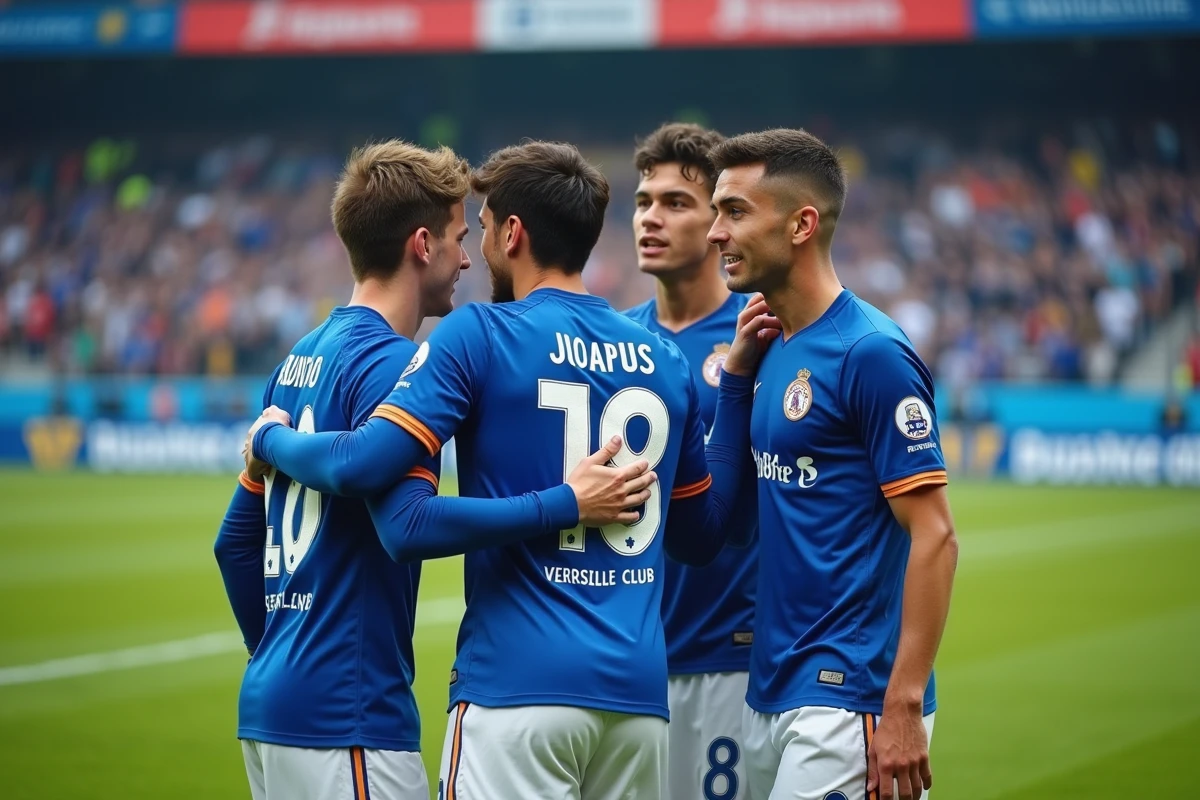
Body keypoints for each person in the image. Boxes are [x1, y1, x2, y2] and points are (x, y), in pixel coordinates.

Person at [244, 140, 775, 799]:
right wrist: (735, 386)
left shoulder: (480, 334)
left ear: (513, 234)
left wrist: (270, 439)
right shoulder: (663, 360)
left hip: (514, 690)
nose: (474, 253)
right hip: (637, 704)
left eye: (484, 228)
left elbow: (393, 505)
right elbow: (704, 536)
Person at [706, 128, 959, 800]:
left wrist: (902, 705)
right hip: (771, 690)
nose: (715, 232)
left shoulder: (870, 352)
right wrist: (735, 379)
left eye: (734, 212)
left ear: (801, 225)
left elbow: (936, 535)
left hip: (853, 700)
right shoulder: (770, 347)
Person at [623, 122, 757, 800]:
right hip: (631, 662)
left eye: (676, 203)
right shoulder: (615, 343)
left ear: (718, 223)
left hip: (733, 657)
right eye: (644, 201)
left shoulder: (761, 334)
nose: (651, 217)